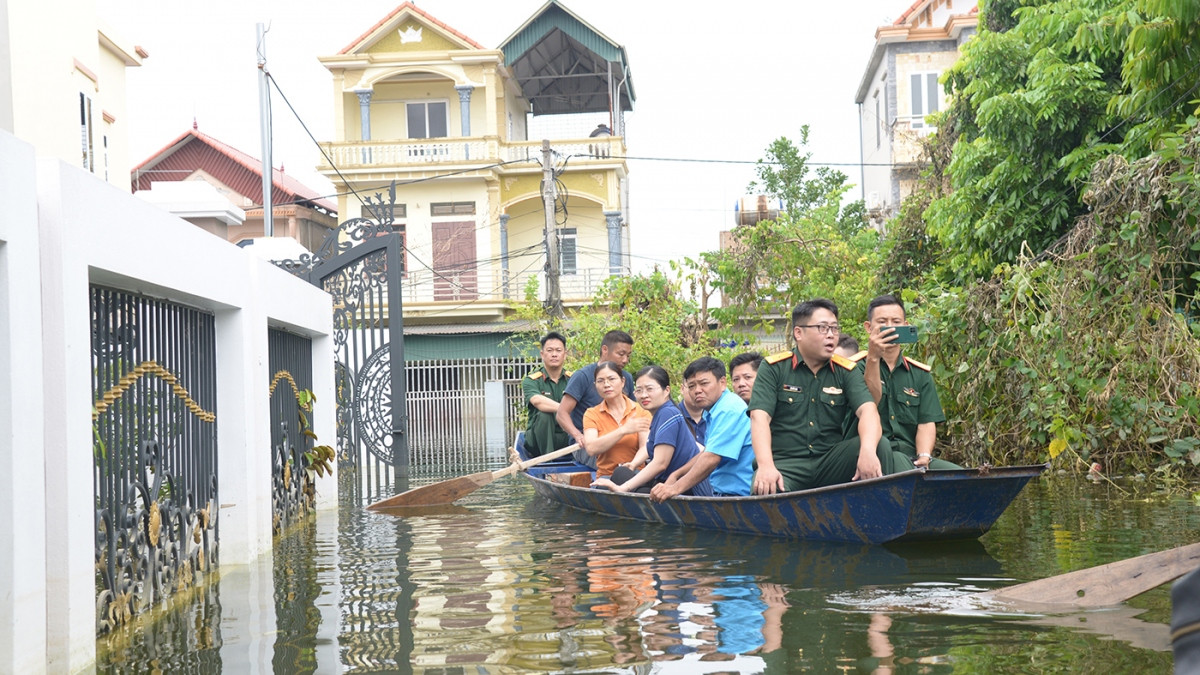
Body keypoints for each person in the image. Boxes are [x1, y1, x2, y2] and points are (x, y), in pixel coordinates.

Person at [748, 299, 913, 494]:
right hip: (786, 464)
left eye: (834, 329)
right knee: (767, 487)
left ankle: (881, 515)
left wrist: (867, 451)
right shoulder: (774, 368)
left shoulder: (845, 370)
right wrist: (766, 465)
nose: (831, 335)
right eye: (822, 328)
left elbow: (868, 411)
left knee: (879, 445)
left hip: (829, 461)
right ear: (798, 333)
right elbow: (760, 418)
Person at [859, 294, 961, 470]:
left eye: (896, 322)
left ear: (906, 326)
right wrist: (873, 358)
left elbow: (926, 422)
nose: (890, 328)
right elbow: (869, 403)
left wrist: (924, 456)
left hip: (911, 456)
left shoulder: (919, 374)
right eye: (882, 321)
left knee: (959, 476)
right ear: (869, 327)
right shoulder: (854, 368)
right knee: (902, 466)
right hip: (875, 453)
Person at [592, 366, 713, 496]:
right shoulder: (663, 413)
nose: (644, 395)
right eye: (639, 390)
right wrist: (633, 465)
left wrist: (624, 488)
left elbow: (660, 463)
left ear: (666, 390)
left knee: (618, 482)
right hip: (668, 483)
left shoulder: (668, 413)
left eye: (649, 389)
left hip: (686, 490)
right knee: (621, 473)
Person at [650, 357, 756, 501]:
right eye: (692, 386)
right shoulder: (713, 410)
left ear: (723, 383)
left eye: (704, 383)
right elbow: (708, 451)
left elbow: (711, 458)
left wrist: (674, 488)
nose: (697, 391)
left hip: (740, 497)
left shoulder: (729, 409)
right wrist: (676, 475)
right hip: (723, 493)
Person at [557, 330, 635, 467]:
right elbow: (562, 413)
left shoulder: (627, 378)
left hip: (620, 439)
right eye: (621, 354)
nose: (625, 360)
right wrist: (577, 435)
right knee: (613, 459)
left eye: (628, 356)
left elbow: (635, 411)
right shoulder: (583, 376)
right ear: (605, 350)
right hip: (588, 444)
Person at [581, 361, 650, 478]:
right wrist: (623, 430)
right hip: (606, 476)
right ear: (595, 386)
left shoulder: (641, 411)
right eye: (600, 381)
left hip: (636, 473)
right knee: (619, 477)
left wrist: (632, 465)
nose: (606, 384)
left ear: (622, 382)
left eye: (611, 379)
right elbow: (592, 448)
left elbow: (646, 447)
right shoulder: (592, 414)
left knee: (624, 476)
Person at [521, 331, 571, 457]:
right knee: (545, 415)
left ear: (565, 354)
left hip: (567, 437)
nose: (554, 354)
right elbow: (538, 401)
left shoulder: (574, 379)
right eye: (550, 350)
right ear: (542, 354)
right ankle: (549, 467)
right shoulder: (531, 380)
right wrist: (565, 409)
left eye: (558, 350)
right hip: (538, 441)